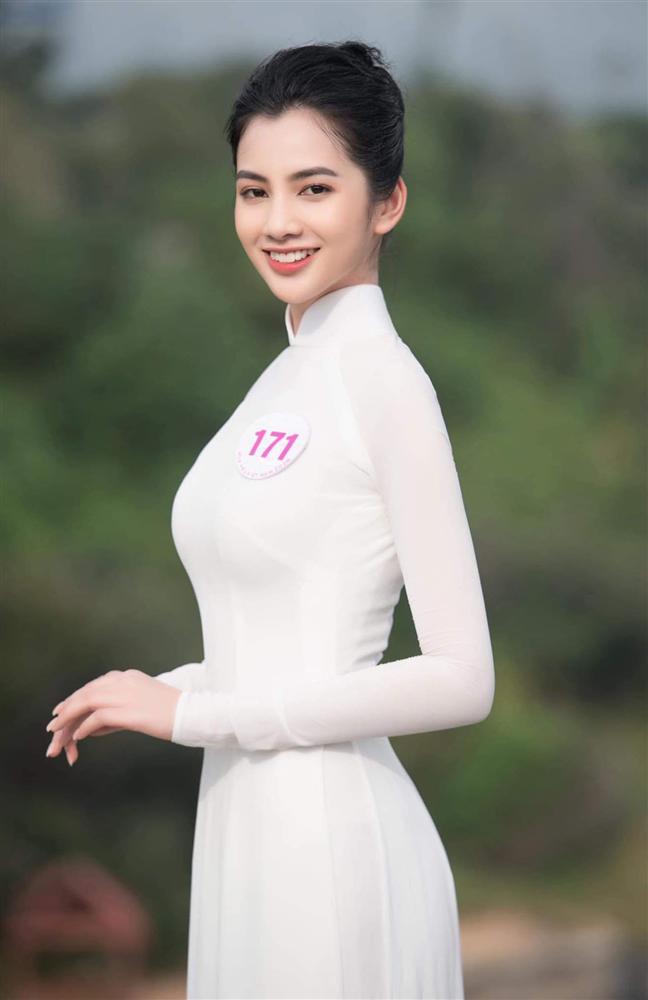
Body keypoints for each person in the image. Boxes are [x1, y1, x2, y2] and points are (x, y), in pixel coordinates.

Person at [46, 40, 495, 999]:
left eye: (314, 189)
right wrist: (161, 688)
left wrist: (196, 715)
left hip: (331, 845)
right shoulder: (287, 374)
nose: (278, 222)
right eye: (255, 191)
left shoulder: (385, 382)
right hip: (244, 830)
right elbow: (280, 637)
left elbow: (464, 677)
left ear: (388, 202)